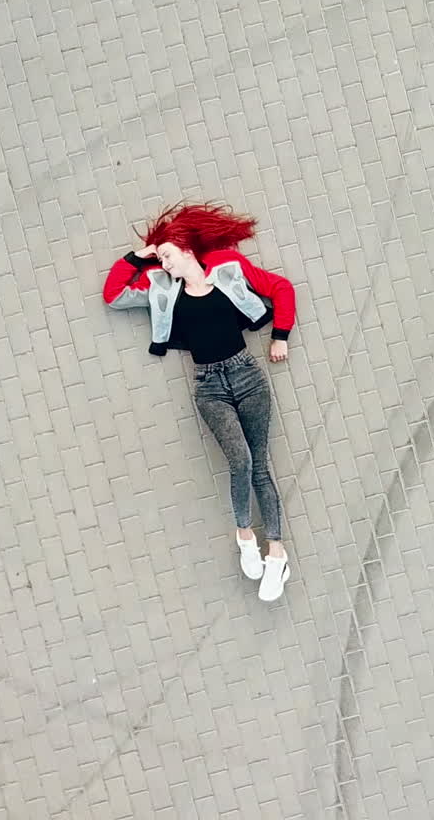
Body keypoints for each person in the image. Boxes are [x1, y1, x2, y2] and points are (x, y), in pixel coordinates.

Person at [103, 203, 298, 601]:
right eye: (160, 258)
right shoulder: (160, 286)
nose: (164, 263)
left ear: (186, 247)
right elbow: (114, 295)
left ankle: (276, 553)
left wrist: (280, 335)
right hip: (208, 385)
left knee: (260, 466)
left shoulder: (229, 268)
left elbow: (282, 288)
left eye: (167, 254)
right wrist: (138, 257)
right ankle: (245, 535)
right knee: (240, 461)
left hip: (247, 375)